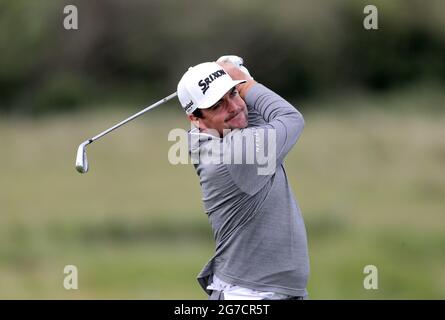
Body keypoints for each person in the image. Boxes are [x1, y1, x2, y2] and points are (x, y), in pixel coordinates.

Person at [176, 55, 309, 300]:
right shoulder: (236, 153)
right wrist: (245, 82)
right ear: (195, 118)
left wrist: (234, 79)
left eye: (233, 94)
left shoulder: (213, 137)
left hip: (262, 290)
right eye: (217, 105)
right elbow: (290, 119)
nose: (234, 106)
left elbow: (251, 118)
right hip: (250, 296)